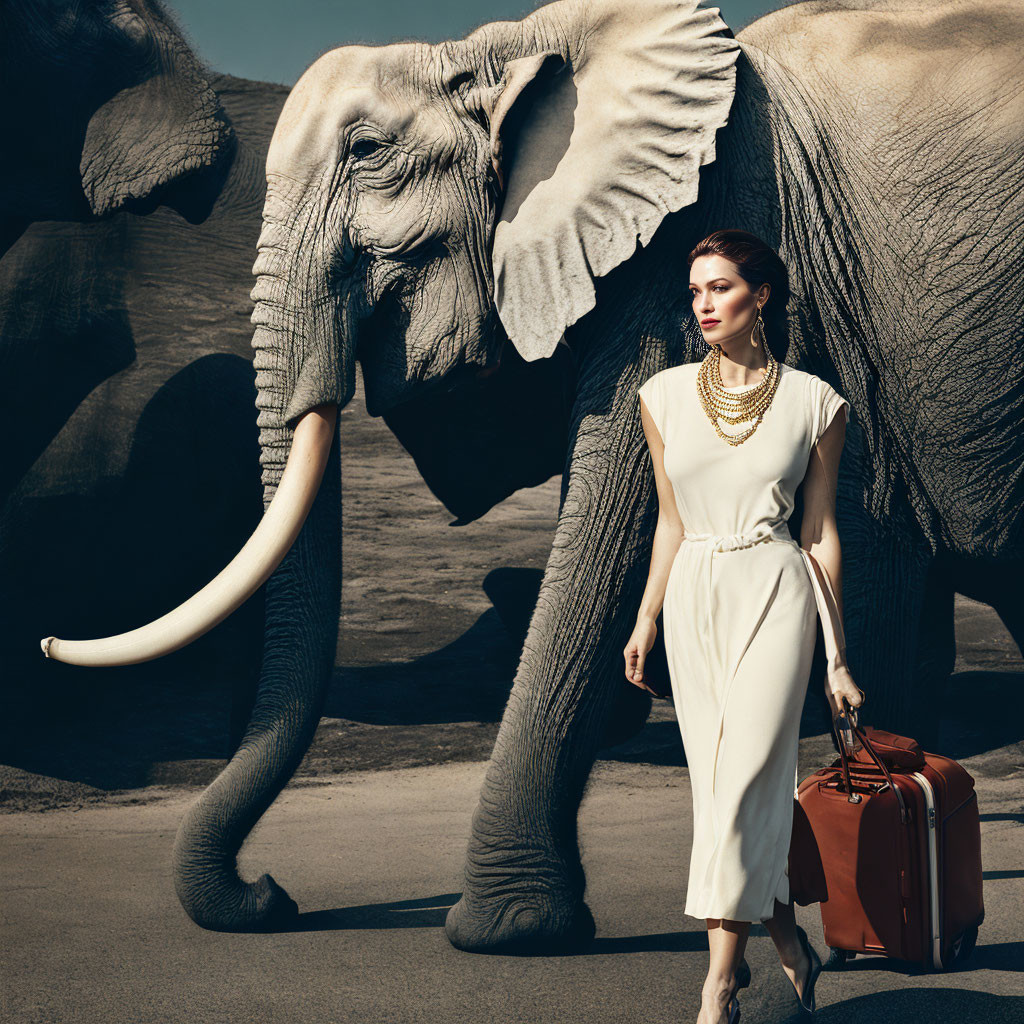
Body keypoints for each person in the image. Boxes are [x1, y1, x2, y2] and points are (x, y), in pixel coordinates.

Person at [624, 229, 866, 1024]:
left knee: (741, 784)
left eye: (721, 288)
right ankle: (791, 945)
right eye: (696, 291)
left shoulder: (814, 402)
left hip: (776, 587)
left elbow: (819, 534)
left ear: (760, 296)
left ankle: (719, 986)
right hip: (695, 592)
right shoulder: (659, 397)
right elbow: (668, 520)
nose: (704, 304)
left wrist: (836, 658)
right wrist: (648, 613)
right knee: (732, 789)